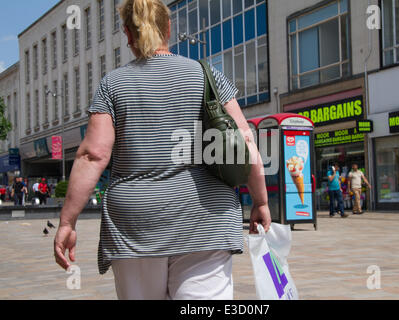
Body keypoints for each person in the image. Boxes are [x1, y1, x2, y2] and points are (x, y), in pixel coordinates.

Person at [54, 0, 271, 301]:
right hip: (206, 221)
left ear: (128, 35)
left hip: (136, 227)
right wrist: (260, 201)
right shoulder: (208, 76)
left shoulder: (112, 85)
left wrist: (67, 222)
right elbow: (246, 143)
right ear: (168, 29)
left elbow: (93, 155)